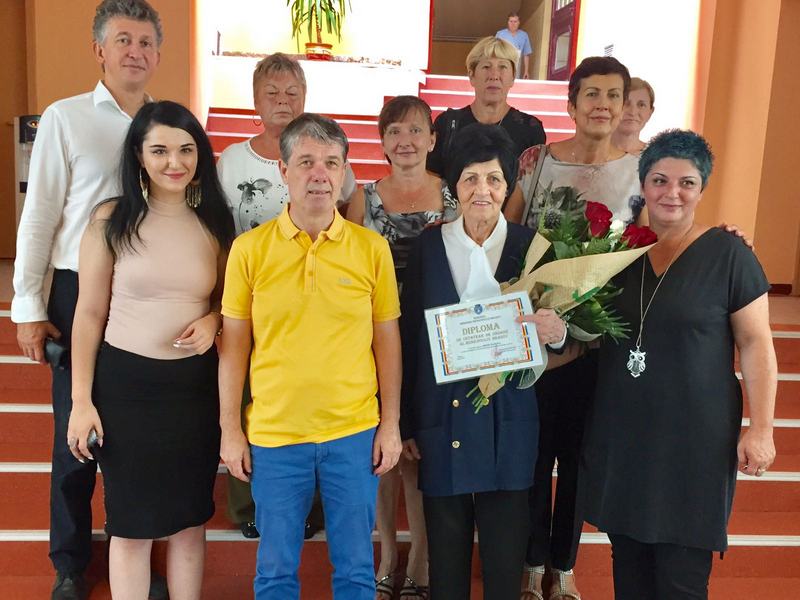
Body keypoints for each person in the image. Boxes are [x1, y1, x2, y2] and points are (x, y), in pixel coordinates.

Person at [577, 129, 777, 599]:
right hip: (624, 434)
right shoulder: (617, 252)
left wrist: (762, 428)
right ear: (643, 185)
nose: (672, 193)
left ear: (702, 189)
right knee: (629, 570)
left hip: (694, 443)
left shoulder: (729, 255)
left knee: (680, 578)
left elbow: (756, 344)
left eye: (687, 182)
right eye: (660, 180)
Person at [10, 2, 166, 598]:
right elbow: (40, 215)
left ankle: (135, 548)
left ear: (158, 54)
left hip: (144, 292)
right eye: (123, 40)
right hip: (77, 291)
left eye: (146, 42)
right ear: (99, 50)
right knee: (74, 432)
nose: (135, 52)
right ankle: (70, 561)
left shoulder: (165, 123)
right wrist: (29, 306)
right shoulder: (66, 117)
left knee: (138, 433)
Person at [219, 113, 403, 600]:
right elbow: (233, 349)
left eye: (331, 162)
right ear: (283, 171)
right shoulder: (248, 251)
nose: (319, 174)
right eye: (305, 162)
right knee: (275, 571)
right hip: (276, 435)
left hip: (353, 433)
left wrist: (390, 423)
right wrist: (230, 429)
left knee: (356, 570)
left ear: (344, 173)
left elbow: (387, 342)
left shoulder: (372, 249)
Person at [66, 100, 234, 599]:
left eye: (186, 149)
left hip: (193, 391)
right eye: (159, 150)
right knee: (131, 524)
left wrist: (214, 319)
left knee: (189, 520)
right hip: (126, 389)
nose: (174, 162)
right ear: (139, 155)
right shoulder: (110, 219)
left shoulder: (214, 222)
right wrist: (80, 400)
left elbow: (229, 301)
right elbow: (88, 314)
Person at [400, 123, 567, 600]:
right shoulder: (429, 246)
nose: (482, 190)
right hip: (442, 416)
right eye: (470, 178)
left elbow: (556, 333)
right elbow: (411, 336)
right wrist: (407, 421)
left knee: (503, 561)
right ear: (455, 186)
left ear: (507, 186)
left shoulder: (531, 247)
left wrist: (555, 332)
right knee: (447, 563)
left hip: (509, 417)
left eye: (493, 179)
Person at [506, 56, 639, 600]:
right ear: (571, 104)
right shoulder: (539, 162)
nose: (602, 105)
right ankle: (530, 560)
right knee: (535, 456)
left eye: (613, 95)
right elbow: (510, 232)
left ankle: (563, 566)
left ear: (624, 106)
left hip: (601, 338)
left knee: (580, 459)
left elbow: (664, 236)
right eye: (591, 94)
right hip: (537, 333)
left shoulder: (641, 170)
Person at [216, 52, 351, 540]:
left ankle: (312, 505)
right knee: (251, 397)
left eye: (292, 92)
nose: (282, 101)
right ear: (255, 100)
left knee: (310, 402)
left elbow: (348, 219)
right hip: (252, 288)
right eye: (271, 92)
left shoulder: (326, 153)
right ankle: (249, 504)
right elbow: (218, 229)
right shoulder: (232, 160)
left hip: (316, 297)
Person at [346, 95, 458, 600]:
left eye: (415, 130)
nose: (405, 140)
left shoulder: (454, 194)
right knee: (384, 447)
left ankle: (420, 558)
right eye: (394, 131)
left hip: (434, 335)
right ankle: (388, 554)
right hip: (376, 332)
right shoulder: (363, 198)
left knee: (420, 450)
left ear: (432, 139)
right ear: (382, 141)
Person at [426, 37, 545, 180]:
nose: (494, 76)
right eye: (486, 67)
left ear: (513, 77)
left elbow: (533, 186)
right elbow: (432, 180)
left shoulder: (530, 129)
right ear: (471, 75)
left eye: (502, 67)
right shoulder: (447, 124)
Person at [611, 77, 655, 155]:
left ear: (650, 113)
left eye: (641, 105)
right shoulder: (591, 154)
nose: (632, 112)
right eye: (626, 104)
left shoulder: (658, 157)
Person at [496, 12, 533, 79]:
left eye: (515, 21)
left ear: (519, 22)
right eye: (511, 21)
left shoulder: (524, 35)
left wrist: (526, 71)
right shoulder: (500, 34)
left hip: (516, 64)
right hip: (502, 62)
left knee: (513, 81)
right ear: (508, 22)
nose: (513, 24)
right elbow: (494, 51)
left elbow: (526, 54)